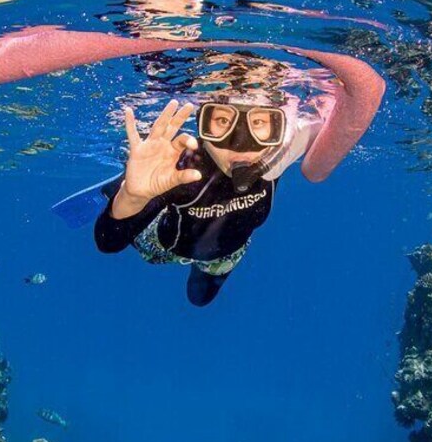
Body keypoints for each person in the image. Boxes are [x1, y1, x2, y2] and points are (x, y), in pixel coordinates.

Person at [94, 95, 305, 307]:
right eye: (223, 121)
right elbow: (108, 242)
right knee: (137, 201)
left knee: (199, 299)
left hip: (226, 255)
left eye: (258, 122)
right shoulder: (185, 168)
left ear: (278, 126)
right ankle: (122, 186)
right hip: (160, 246)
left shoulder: (279, 155)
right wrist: (133, 197)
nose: (241, 143)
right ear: (201, 123)